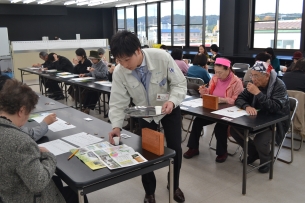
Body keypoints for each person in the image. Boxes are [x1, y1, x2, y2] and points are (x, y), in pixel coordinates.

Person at [108, 30, 186, 203]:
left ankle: (174, 185)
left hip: (169, 108)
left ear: (137, 50)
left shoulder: (162, 57)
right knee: (145, 151)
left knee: (175, 149)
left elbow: (179, 83)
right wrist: (116, 126)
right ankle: (149, 191)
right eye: (118, 60)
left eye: (126, 60)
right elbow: (118, 101)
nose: (123, 64)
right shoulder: (120, 71)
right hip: (145, 111)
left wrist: (172, 101)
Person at [0, 79, 66, 202]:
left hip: (6, 193)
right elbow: (38, 183)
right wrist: (49, 156)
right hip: (24, 197)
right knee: (73, 193)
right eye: (28, 113)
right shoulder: (21, 142)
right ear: (21, 111)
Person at [230, 61, 290, 173]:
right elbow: (239, 98)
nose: (253, 79)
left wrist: (258, 93)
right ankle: (253, 153)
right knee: (234, 130)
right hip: (256, 117)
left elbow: (275, 107)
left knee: (260, 140)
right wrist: (246, 106)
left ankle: (266, 160)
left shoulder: (279, 86)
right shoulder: (253, 84)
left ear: (267, 76)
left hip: (276, 121)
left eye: (256, 76)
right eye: (252, 75)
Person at [183, 58, 244, 162]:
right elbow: (210, 92)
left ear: (228, 69)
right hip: (213, 109)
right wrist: (204, 91)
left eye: (220, 72)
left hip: (228, 112)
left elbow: (238, 100)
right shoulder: (215, 78)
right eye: (215, 72)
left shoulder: (236, 82)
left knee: (220, 128)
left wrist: (224, 100)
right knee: (197, 121)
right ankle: (193, 148)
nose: (217, 75)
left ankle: (222, 152)